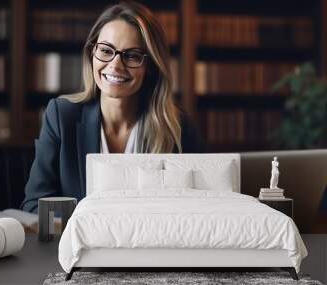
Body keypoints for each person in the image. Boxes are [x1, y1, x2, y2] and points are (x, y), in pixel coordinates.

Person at [21, 2, 203, 213]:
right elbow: (34, 205)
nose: (115, 65)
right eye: (106, 50)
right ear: (92, 53)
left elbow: (198, 208)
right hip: (80, 244)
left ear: (151, 66)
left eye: (132, 55)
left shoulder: (179, 128)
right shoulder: (61, 116)